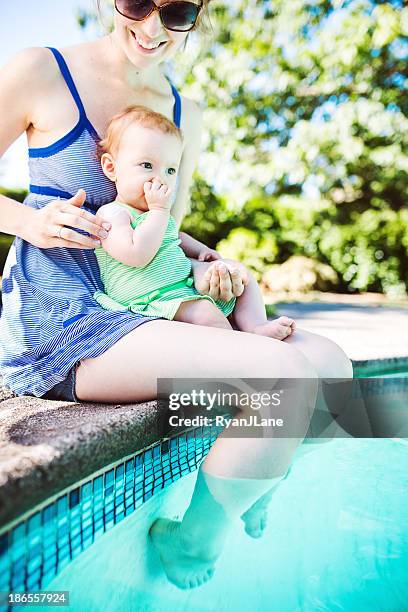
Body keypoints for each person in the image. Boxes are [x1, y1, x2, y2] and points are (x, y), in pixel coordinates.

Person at [0, 0, 353, 589]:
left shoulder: (185, 110)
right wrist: (29, 222)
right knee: (283, 379)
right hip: (63, 323)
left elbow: (169, 236)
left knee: (330, 366)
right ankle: (198, 539)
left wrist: (212, 269)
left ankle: (261, 473)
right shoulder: (42, 69)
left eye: (179, 10)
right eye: (139, 2)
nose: (153, 25)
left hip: (148, 303)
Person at [94, 104, 297, 339]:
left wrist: (202, 250)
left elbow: (175, 235)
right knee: (206, 315)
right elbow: (137, 254)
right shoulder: (112, 214)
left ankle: (256, 326)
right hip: (147, 299)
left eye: (170, 170)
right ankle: (237, 351)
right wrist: (160, 211)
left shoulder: (156, 216)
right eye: (147, 165)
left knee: (239, 273)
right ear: (111, 167)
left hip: (180, 287)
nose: (160, 178)